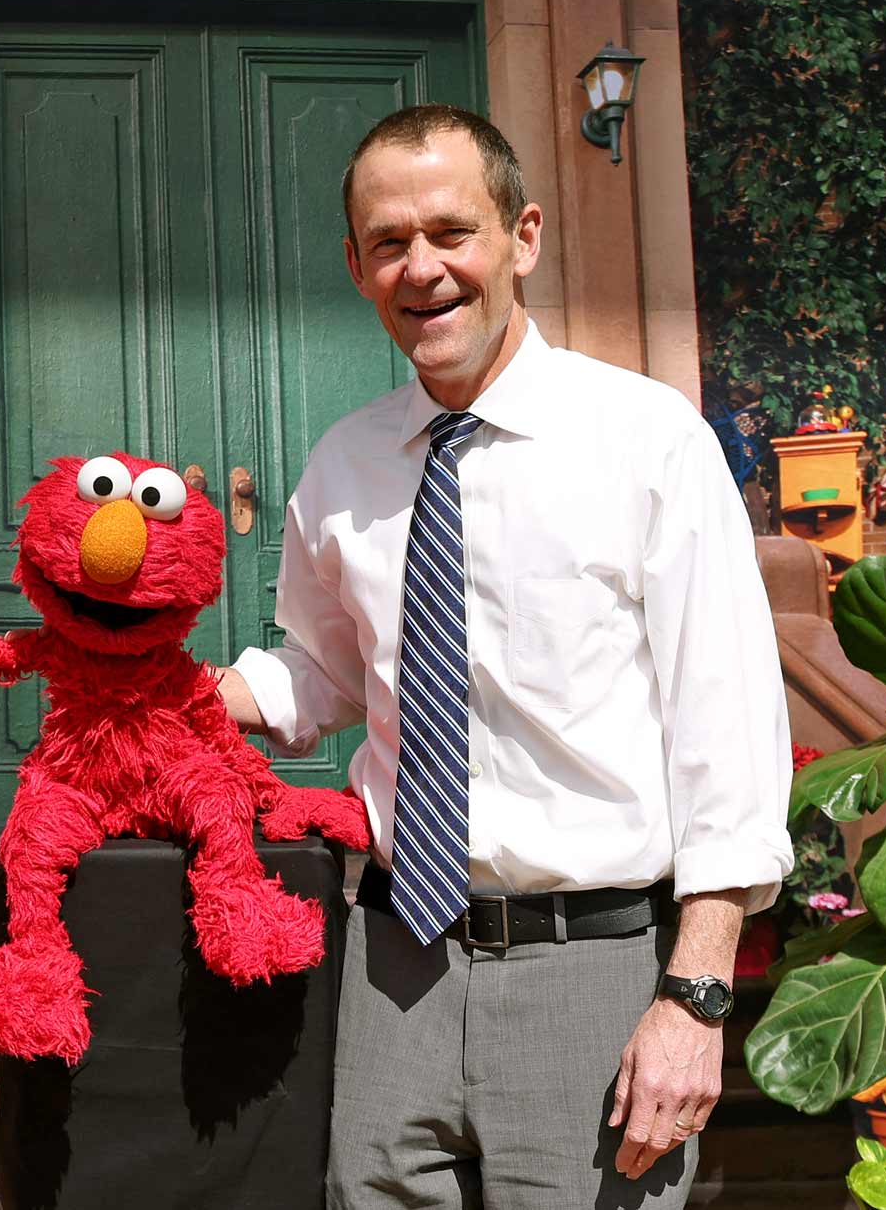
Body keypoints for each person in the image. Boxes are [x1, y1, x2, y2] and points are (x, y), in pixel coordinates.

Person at [216, 104, 793, 1209]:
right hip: (391, 969)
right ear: (354, 265)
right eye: (388, 242)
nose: (420, 268)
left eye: (450, 231)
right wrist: (171, 701)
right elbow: (326, 673)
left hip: (592, 973)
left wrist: (695, 998)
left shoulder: (646, 442)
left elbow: (726, 738)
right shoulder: (344, 466)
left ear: (521, 236)